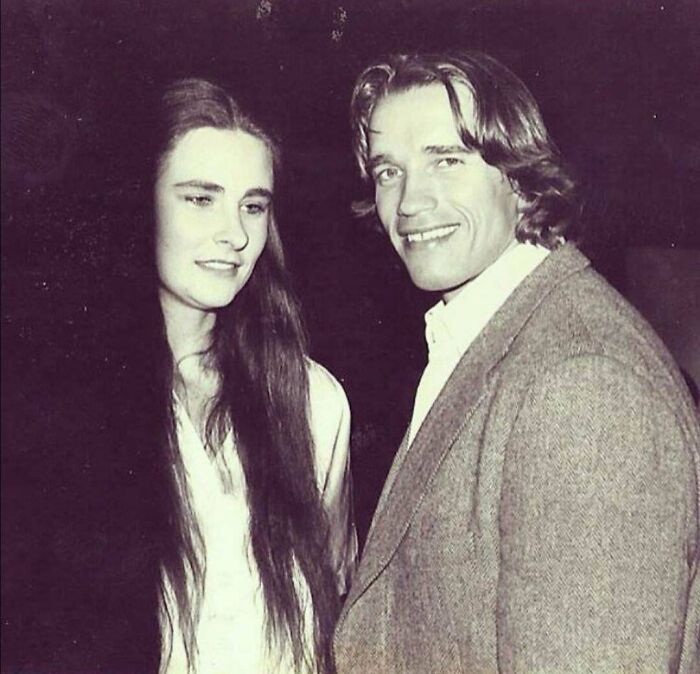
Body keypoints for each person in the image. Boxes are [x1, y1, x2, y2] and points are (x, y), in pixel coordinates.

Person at [334, 51, 700, 673]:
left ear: (520, 178)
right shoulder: (489, 336)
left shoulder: (582, 386)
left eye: (446, 160)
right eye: (389, 170)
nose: (409, 202)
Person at [140, 78, 356, 674]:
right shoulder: (72, 411)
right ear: (140, 203)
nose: (234, 234)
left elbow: (336, 602)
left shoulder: (313, 401)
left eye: (253, 206)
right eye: (200, 199)